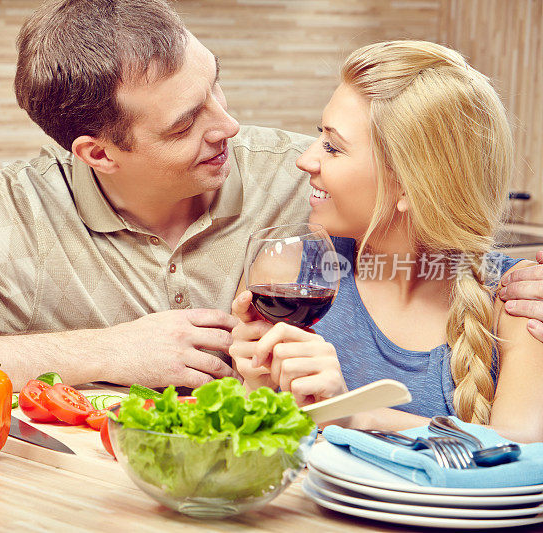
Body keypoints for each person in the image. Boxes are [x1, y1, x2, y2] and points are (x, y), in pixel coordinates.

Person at [0, 1, 543, 392]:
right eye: (186, 123)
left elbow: (432, 209)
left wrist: (520, 286)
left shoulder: (297, 179)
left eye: (216, 84)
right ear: (98, 154)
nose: (230, 126)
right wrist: (104, 353)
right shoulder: (20, 213)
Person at [229, 41, 543, 443]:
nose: (305, 159)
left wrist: (350, 411)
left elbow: (520, 450)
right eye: (318, 136)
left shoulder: (517, 298)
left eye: (332, 147)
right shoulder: (287, 273)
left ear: (409, 186)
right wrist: (255, 384)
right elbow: (251, 444)